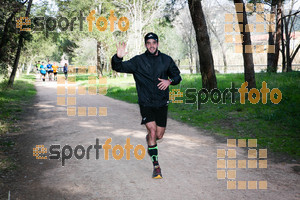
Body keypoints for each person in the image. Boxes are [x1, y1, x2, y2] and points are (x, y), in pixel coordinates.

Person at [111, 32, 182, 179]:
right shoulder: (138, 61)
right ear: (145, 45)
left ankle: (150, 140)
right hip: (146, 103)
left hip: (162, 102)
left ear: (157, 44)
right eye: (148, 43)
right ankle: (156, 166)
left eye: (154, 43)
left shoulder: (166, 60)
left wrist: (170, 81)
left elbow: (177, 76)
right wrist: (118, 57)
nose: (151, 45)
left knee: (159, 135)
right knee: (153, 131)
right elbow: (118, 67)